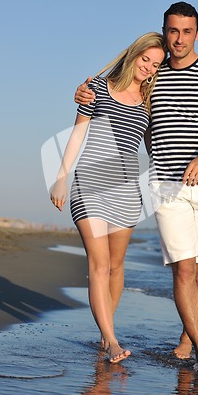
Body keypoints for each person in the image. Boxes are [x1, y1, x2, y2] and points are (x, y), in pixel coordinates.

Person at [74, 2, 198, 371]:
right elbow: (115, 90)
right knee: (182, 268)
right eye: (173, 31)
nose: (179, 39)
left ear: (197, 33)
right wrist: (84, 94)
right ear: (165, 31)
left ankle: (187, 335)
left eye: (187, 31)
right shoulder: (152, 76)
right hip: (166, 185)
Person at [50, 32, 166, 364]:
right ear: (133, 55)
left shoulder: (149, 97)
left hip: (128, 192)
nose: (148, 68)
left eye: (155, 64)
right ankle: (113, 341)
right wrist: (61, 177)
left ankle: (105, 331)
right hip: (90, 185)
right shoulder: (97, 87)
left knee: (116, 267)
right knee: (99, 265)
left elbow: (153, 144)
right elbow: (78, 132)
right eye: (145, 59)